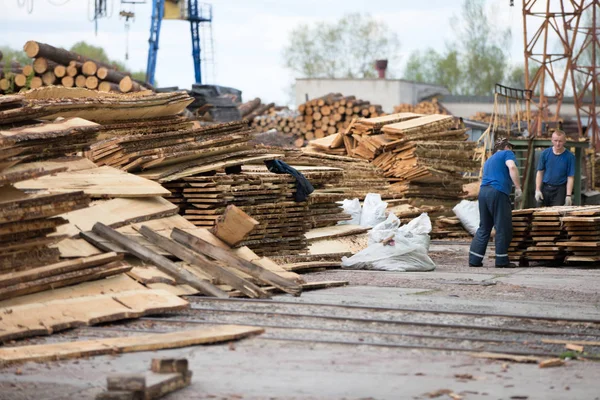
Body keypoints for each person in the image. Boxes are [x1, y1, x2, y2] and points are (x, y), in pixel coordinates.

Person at [469, 138, 522, 268]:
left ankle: (474, 260)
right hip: (497, 192)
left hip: (483, 192)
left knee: (484, 227)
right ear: (506, 147)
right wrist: (518, 188)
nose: (512, 150)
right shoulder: (507, 153)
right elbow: (512, 167)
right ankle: (501, 261)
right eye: (510, 147)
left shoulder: (489, 160)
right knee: (503, 227)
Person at [535, 130, 575, 207]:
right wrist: (537, 190)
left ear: (564, 141)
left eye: (560, 141)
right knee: (542, 214)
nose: (557, 143)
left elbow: (570, 177)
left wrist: (568, 196)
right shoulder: (545, 153)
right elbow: (540, 172)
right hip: (545, 188)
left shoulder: (570, 157)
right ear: (552, 140)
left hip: (560, 190)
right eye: (555, 140)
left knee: (556, 214)